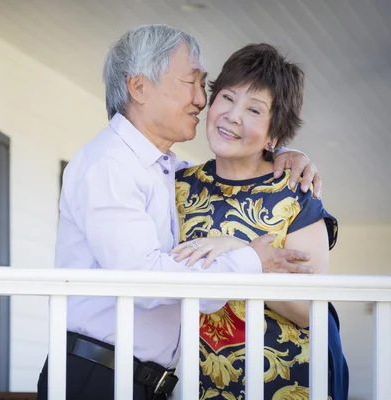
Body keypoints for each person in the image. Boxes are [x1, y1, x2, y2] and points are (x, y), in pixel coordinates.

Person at [36, 25, 322, 400]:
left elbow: (313, 306)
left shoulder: (169, 171)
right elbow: (145, 279)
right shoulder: (110, 165)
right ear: (139, 88)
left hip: (163, 382)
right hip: (101, 376)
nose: (201, 100)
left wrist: (286, 155)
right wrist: (249, 258)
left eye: (203, 85)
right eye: (193, 82)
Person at [172, 43, 349, 399]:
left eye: (254, 109)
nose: (233, 116)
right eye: (227, 98)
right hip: (196, 384)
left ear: (274, 135)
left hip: (283, 385)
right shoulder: (177, 186)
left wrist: (241, 251)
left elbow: (306, 311)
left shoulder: (297, 194)